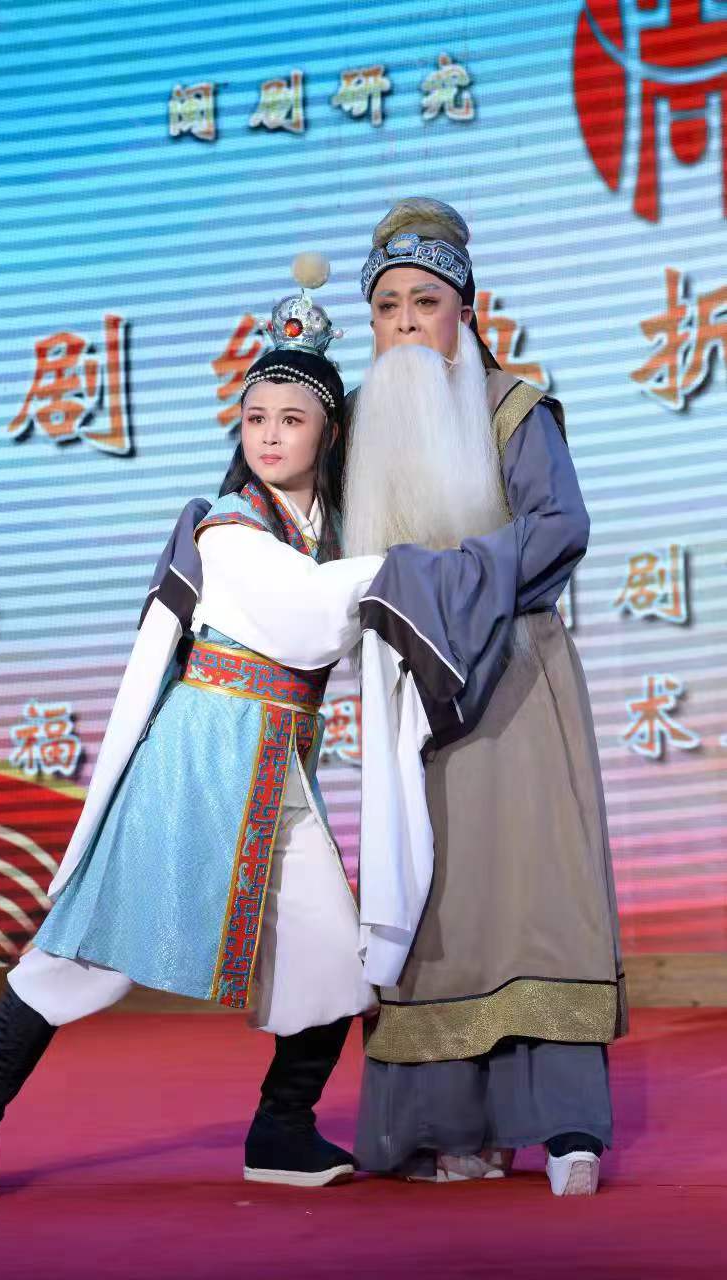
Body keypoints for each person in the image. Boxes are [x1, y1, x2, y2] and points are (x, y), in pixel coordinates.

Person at [0, 258, 381, 1203]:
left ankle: (281, 1128)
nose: (270, 436)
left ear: (328, 431)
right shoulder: (228, 527)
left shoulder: (333, 532)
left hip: (278, 772)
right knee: (81, 954)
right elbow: (313, 618)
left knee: (332, 951)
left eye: (291, 419)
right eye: (256, 418)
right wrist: (421, 567)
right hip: (195, 761)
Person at [344, 198, 625, 1197]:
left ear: (465, 310)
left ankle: (563, 1123)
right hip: (410, 703)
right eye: (387, 307)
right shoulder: (356, 425)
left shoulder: (513, 408)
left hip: (513, 681)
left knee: (536, 897)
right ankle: (445, 1127)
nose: (406, 324)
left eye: (425, 302)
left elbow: (556, 529)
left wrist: (437, 587)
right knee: (432, 911)